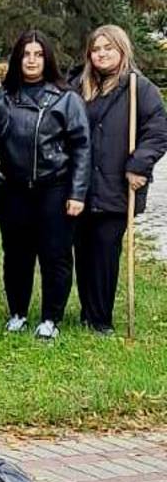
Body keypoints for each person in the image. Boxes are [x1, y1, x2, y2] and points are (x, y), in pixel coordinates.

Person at [0, 30, 90, 340]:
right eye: (25, 54)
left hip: (54, 186)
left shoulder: (66, 98)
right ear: (17, 59)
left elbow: (82, 146)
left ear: (47, 58)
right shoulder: (3, 96)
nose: (31, 60)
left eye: (38, 54)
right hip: (13, 188)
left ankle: (51, 317)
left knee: (54, 254)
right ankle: (18, 311)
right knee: (16, 254)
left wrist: (77, 192)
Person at [73, 25, 167, 334]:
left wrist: (139, 165)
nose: (101, 54)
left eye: (107, 48)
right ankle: (87, 312)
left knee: (105, 250)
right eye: (96, 49)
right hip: (81, 186)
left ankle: (101, 319)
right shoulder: (79, 87)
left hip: (117, 187)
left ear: (122, 50)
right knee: (83, 250)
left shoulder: (140, 89)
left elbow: (157, 131)